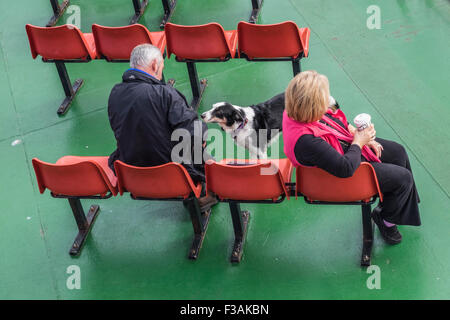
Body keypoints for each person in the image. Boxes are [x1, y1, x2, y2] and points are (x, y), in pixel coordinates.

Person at [282, 70, 421, 244]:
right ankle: (386, 219)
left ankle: (392, 205)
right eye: (324, 100)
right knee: (404, 179)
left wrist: (359, 135)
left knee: (397, 152)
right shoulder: (305, 141)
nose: (329, 102)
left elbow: (337, 124)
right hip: (336, 177)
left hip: (341, 150)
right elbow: (345, 168)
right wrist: (359, 143)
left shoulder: (295, 111)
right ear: (313, 107)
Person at [107, 44, 217, 210]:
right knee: (201, 149)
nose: (160, 75)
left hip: (131, 169)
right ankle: (207, 195)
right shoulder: (165, 93)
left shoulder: (115, 93)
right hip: (171, 171)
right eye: (161, 68)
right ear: (154, 65)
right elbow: (192, 132)